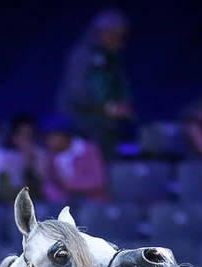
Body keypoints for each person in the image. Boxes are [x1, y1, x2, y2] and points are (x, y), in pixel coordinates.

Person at [56, 9, 134, 155]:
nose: (120, 42)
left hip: (106, 128)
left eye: (122, 37)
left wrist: (122, 106)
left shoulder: (112, 59)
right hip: (83, 129)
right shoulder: (83, 56)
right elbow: (78, 94)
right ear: (102, 33)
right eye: (115, 36)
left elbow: (118, 89)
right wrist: (111, 108)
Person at [38, 115, 107, 204]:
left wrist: (70, 185)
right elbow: (51, 184)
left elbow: (98, 182)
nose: (48, 141)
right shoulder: (51, 156)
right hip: (65, 205)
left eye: (52, 136)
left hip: (92, 203)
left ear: (65, 136)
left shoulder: (88, 150)